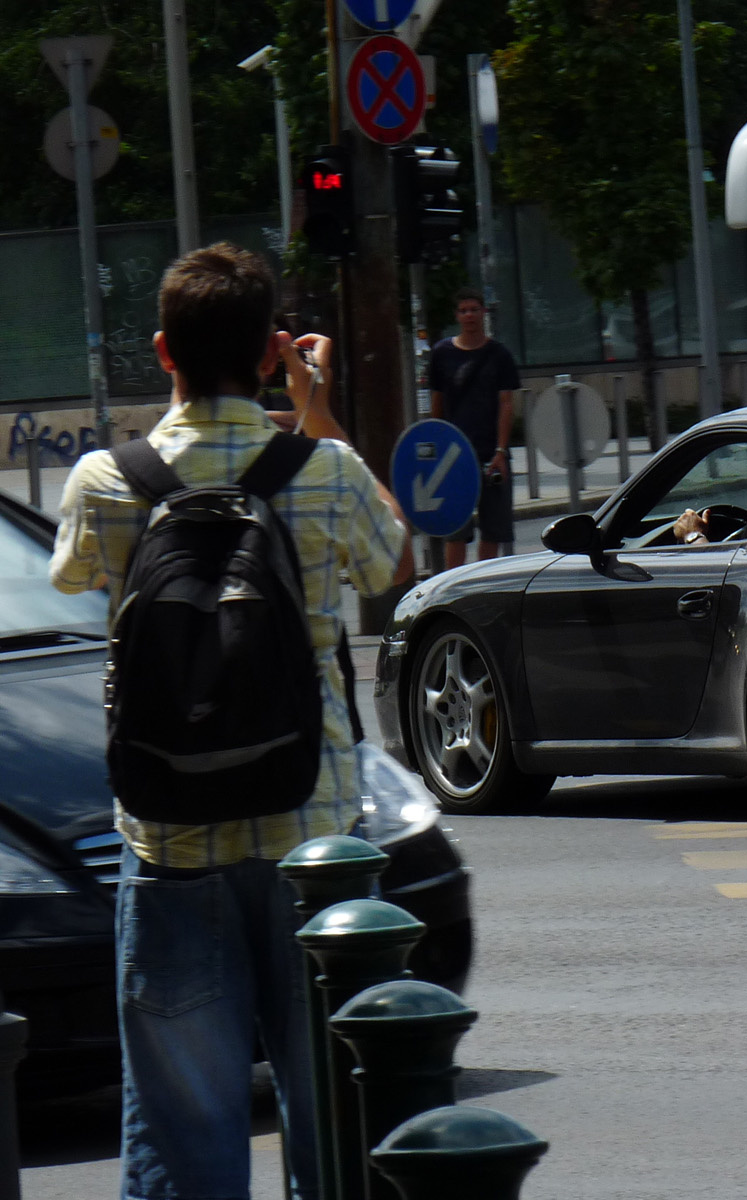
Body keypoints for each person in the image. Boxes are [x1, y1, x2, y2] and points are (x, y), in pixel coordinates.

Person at [49, 242, 412, 1200]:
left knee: (180, 1129)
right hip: (315, 840)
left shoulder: (103, 481)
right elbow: (390, 559)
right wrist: (319, 401)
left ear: (163, 351)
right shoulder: (324, 469)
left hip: (169, 839)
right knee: (335, 1116)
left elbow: (72, 578)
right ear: (267, 356)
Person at [429, 288, 520, 568]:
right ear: (457, 316)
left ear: (483, 313)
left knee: (493, 530)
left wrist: (501, 451)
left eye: (474, 309)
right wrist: (438, 448)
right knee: (455, 531)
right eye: (463, 310)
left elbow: (506, 404)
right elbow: (437, 403)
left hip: (491, 454)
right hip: (454, 457)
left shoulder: (500, 355)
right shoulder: (441, 354)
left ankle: (482, 585)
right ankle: (452, 587)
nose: (469, 315)